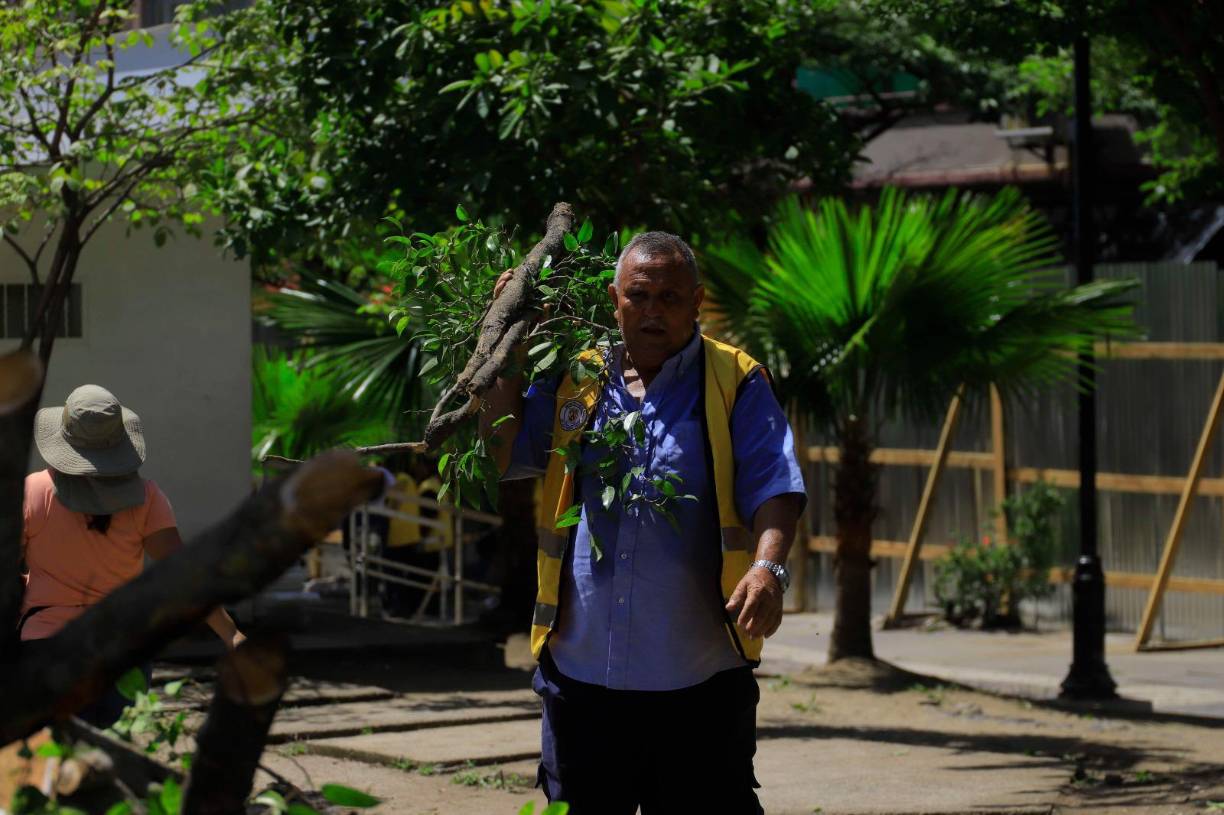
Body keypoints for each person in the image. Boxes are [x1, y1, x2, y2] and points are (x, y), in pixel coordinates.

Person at [481, 232, 806, 814]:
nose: (653, 311)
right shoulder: (575, 377)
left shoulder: (737, 380)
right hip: (581, 679)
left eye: (670, 297)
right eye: (639, 295)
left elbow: (776, 484)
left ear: (697, 300)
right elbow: (504, 452)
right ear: (615, 299)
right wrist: (504, 343)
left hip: (699, 684)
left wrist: (767, 567)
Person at [20, 385, 244, 727]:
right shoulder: (147, 499)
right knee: (112, 760)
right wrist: (231, 634)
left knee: (51, 763)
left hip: (48, 646)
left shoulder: (33, 493)